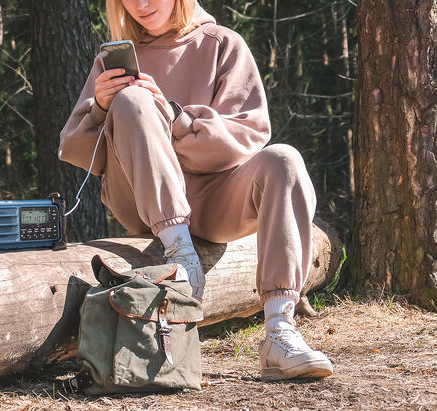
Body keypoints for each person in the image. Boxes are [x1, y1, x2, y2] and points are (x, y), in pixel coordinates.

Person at [59, 0, 333, 381]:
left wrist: (175, 119)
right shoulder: (115, 57)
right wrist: (103, 108)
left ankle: (279, 331)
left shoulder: (223, 44)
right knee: (133, 98)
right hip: (141, 202)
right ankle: (181, 254)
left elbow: (248, 135)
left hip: (213, 199)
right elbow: (74, 149)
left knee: (284, 160)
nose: (141, 4)